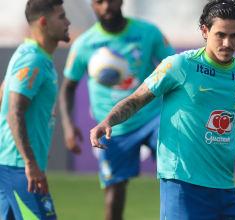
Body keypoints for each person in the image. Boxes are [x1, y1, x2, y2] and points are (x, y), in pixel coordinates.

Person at [90, 0, 235, 219]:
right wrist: (108, 121)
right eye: (220, 34)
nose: (228, 43)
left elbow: (231, 111)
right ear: (205, 31)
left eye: (234, 35)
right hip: (183, 184)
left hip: (225, 186)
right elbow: (137, 98)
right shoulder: (180, 65)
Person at [59, 0, 175, 219]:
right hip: (113, 128)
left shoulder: (147, 32)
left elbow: (174, 67)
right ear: (92, 5)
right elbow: (67, 88)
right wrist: (67, 125)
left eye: (110, 0)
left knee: (177, 170)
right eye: (98, 2)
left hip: (153, 118)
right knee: (114, 191)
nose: (106, 6)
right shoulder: (84, 44)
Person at [0, 0, 70, 219]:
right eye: (61, 17)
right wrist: (29, 160)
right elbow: (14, 112)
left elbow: (3, 96)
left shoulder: (27, 52)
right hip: (19, 169)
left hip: (11, 164)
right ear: (43, 22)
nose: (68, 22)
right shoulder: (33, 60)